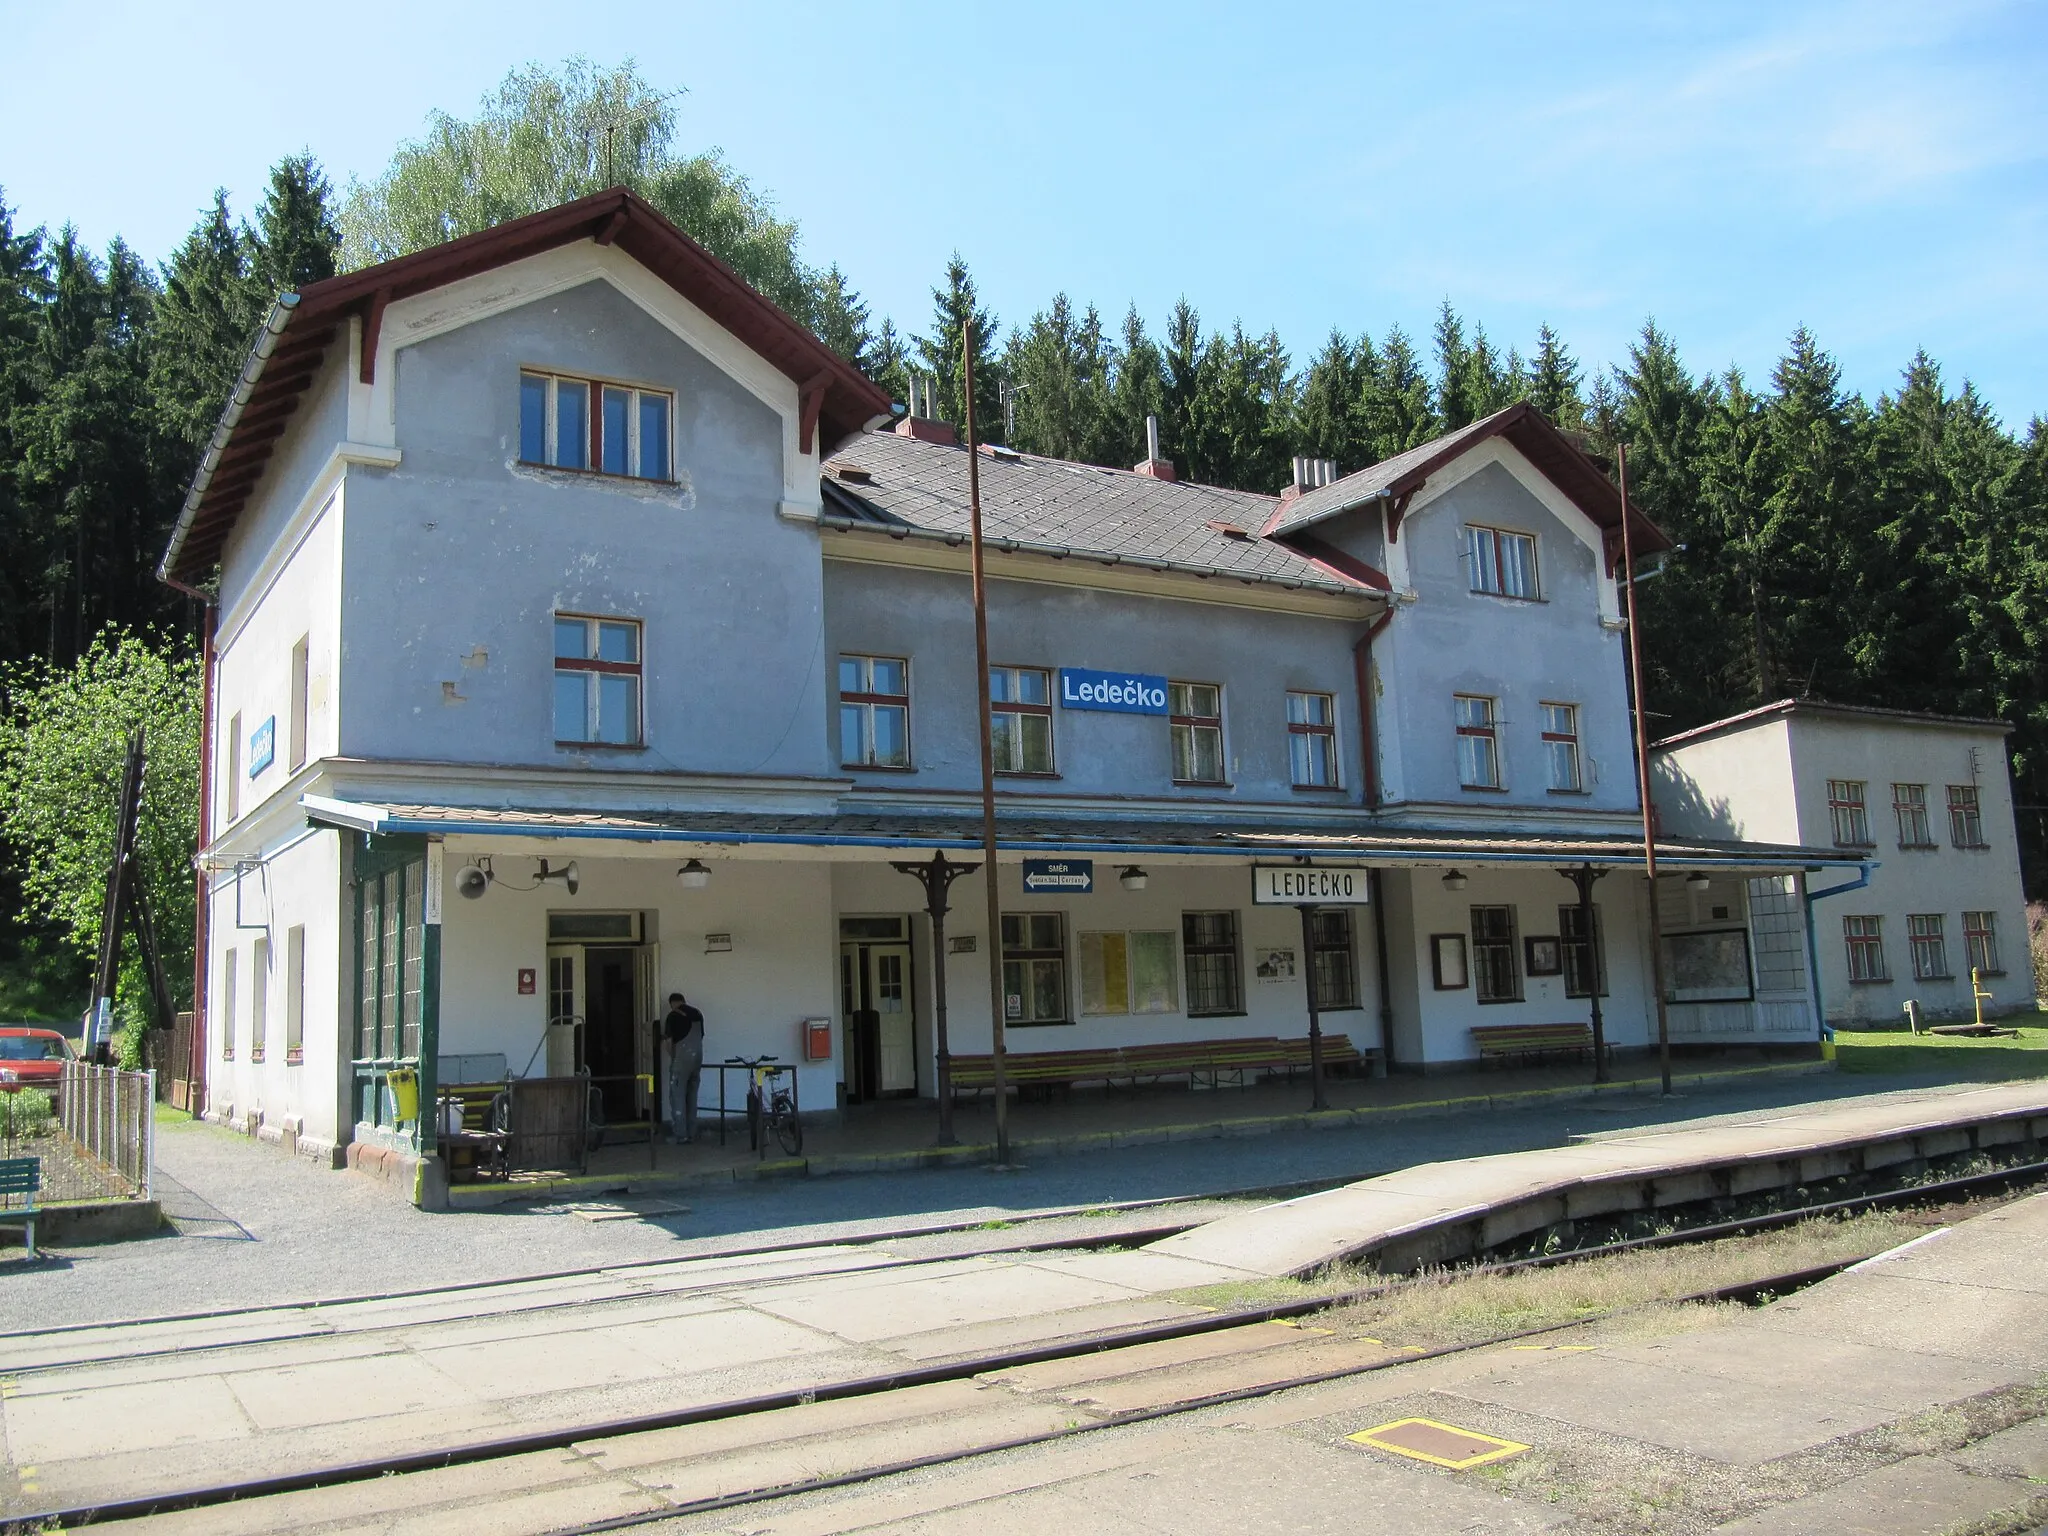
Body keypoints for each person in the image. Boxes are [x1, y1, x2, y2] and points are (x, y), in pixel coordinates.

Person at [662, 992, 705, 1143]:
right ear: (684, 1001)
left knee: (677, 1095)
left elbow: (668, 1042)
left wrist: (674, 1058)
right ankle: (692, 1131)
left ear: (672, 1003)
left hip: (682, 1059)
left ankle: (681, 1134)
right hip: (698, 1057)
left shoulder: (673, 1015)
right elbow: (701, 1036)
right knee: (692, 1095)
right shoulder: (698, 1013)